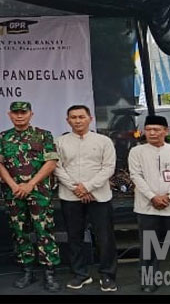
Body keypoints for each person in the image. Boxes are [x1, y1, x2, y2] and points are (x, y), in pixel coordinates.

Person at [0, 101, 61, 292]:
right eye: (15, 112)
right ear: (9, 115)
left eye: (23, 112)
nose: (19, 116)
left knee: (44, 230)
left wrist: (30, 184)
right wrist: (14, 185)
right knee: (19, 231)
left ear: (31, 114)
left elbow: (51, 162)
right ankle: (27, 270)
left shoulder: (43, 135)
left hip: (39, 192)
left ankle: (49, 272)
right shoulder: (3, 137)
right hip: (14, 192)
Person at [128, 115, 170, 294]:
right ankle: (150, 280)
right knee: (149, 245)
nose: (152, 133)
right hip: (147, 206)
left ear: (166, 131)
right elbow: (136, 176)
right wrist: (153, 197)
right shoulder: (136, 152)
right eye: (148, 129)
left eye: (157, 129)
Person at [54, 105, 118, 292]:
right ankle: (80, 274)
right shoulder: (59, 142)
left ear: (90, 119)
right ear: (67, 121)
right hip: (70, 196)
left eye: (81, 117)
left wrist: (88, 187)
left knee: (104, 238)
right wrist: (77, 189)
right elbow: (57, 167)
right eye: (73, 117)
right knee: (74, 237)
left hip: (99, 196)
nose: (77, 121)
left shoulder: (104, 141)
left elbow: (108, 167)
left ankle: (107, 275)